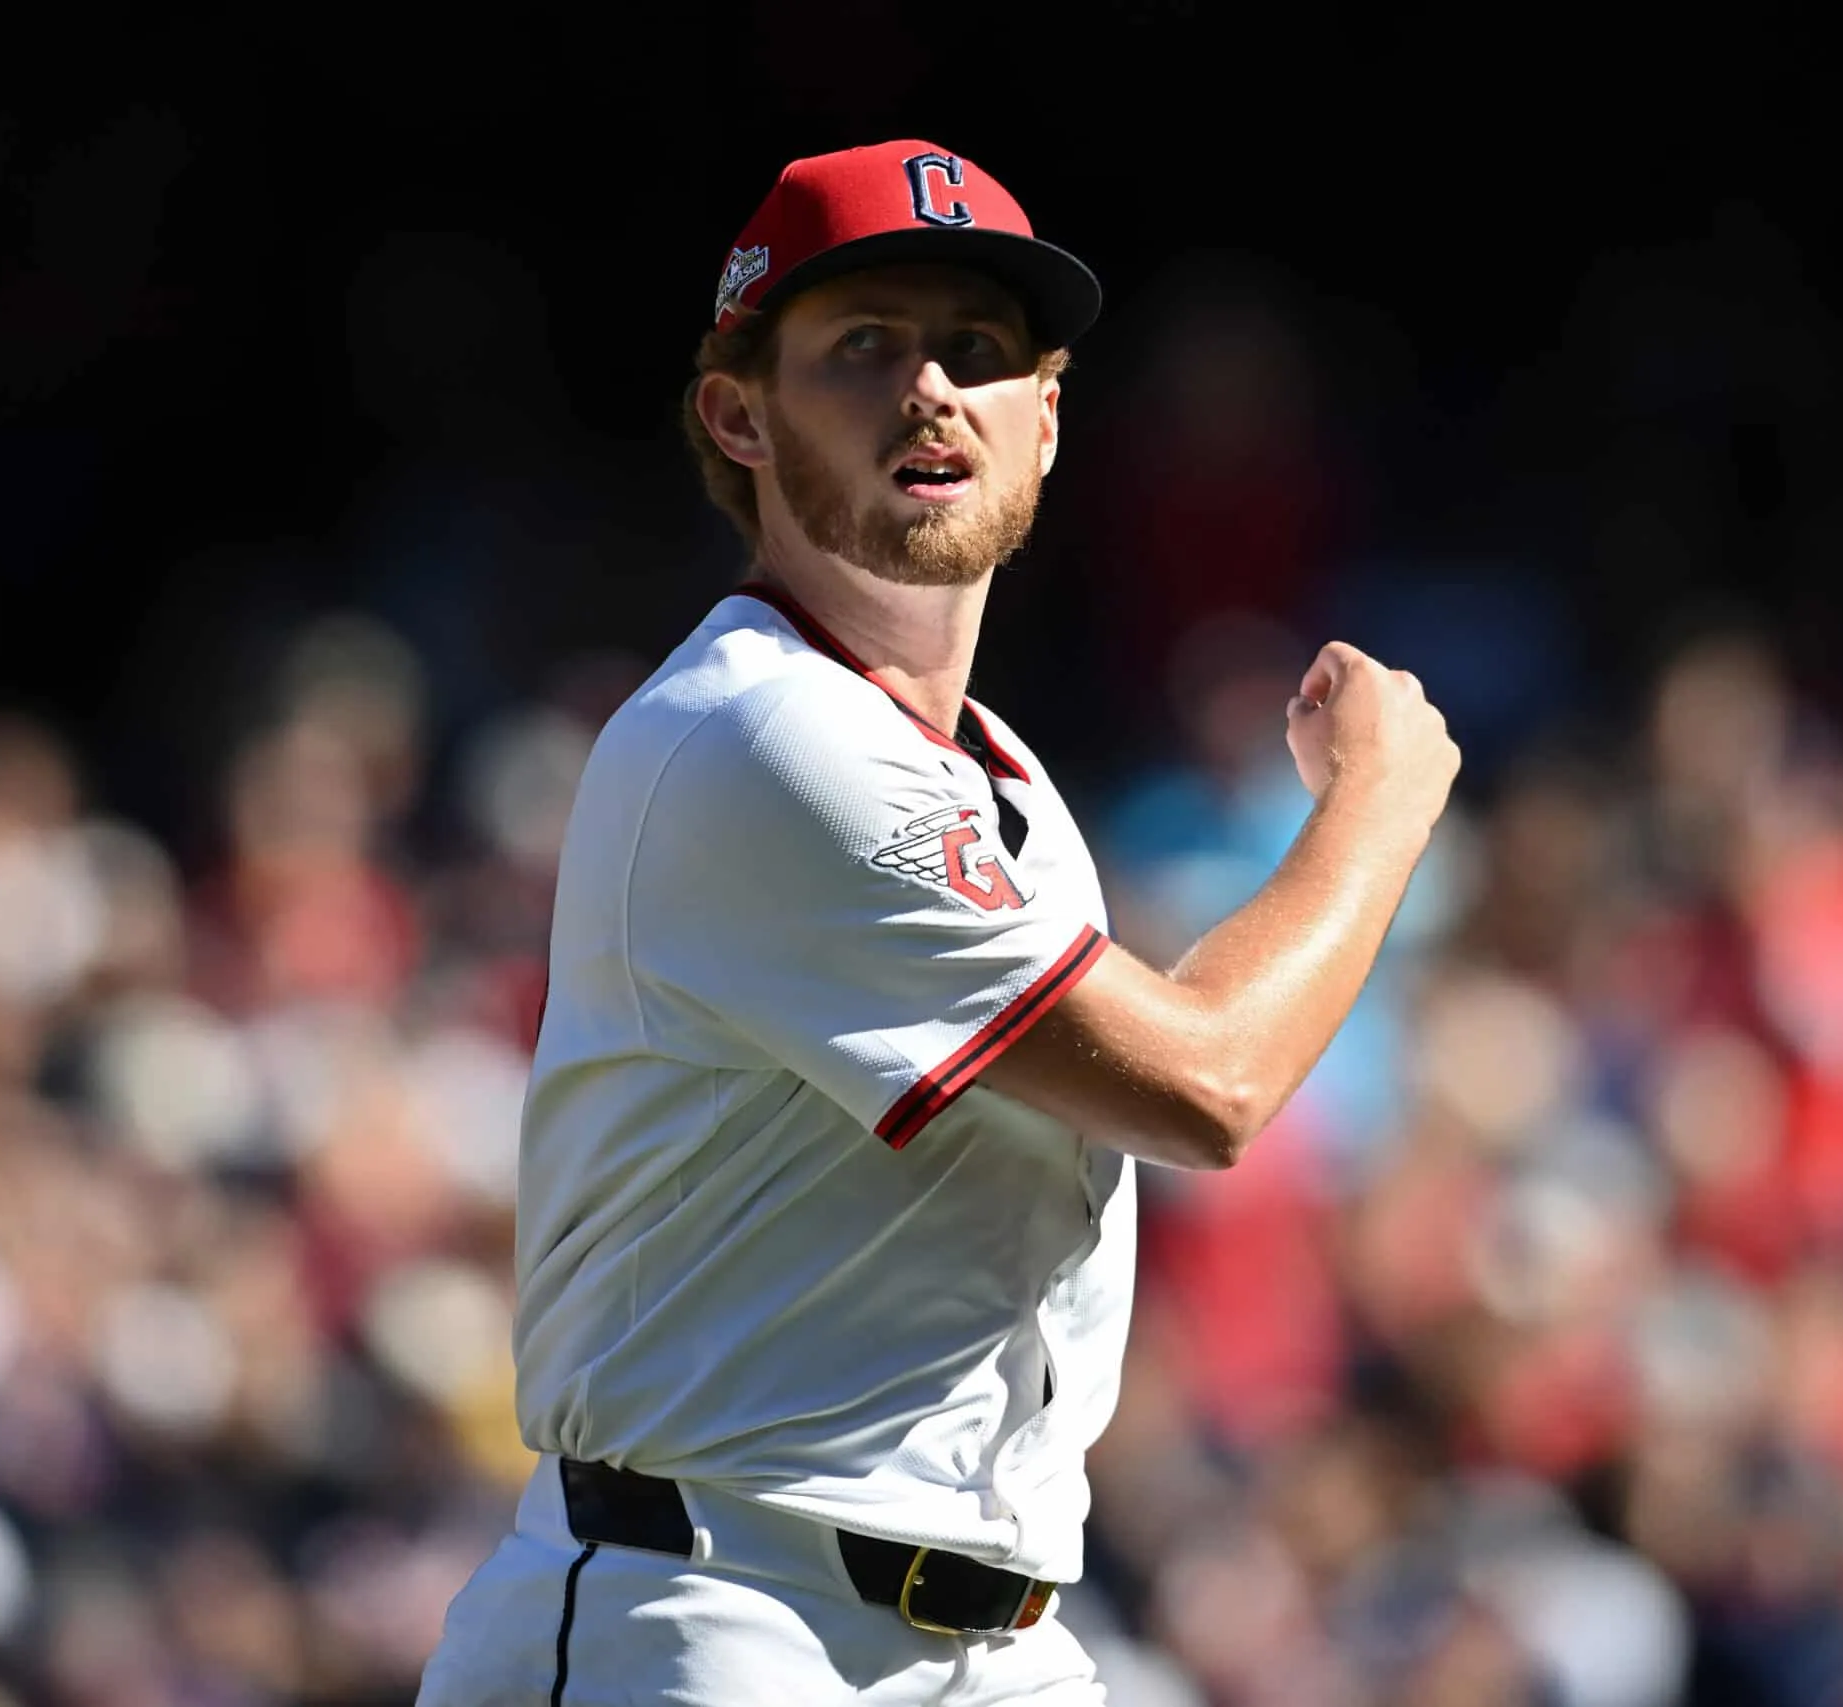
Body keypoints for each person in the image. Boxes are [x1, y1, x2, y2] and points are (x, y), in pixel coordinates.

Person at [416, 138, 1463, 1707]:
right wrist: (1377, 812)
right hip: (713, 1615)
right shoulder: (759, 731)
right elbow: (1209, 1083)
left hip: (987, 1635)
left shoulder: (996, 768)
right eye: (864, 344)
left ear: (1045, 422)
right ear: (737, 414)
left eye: (978, 352)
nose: (930, 390)